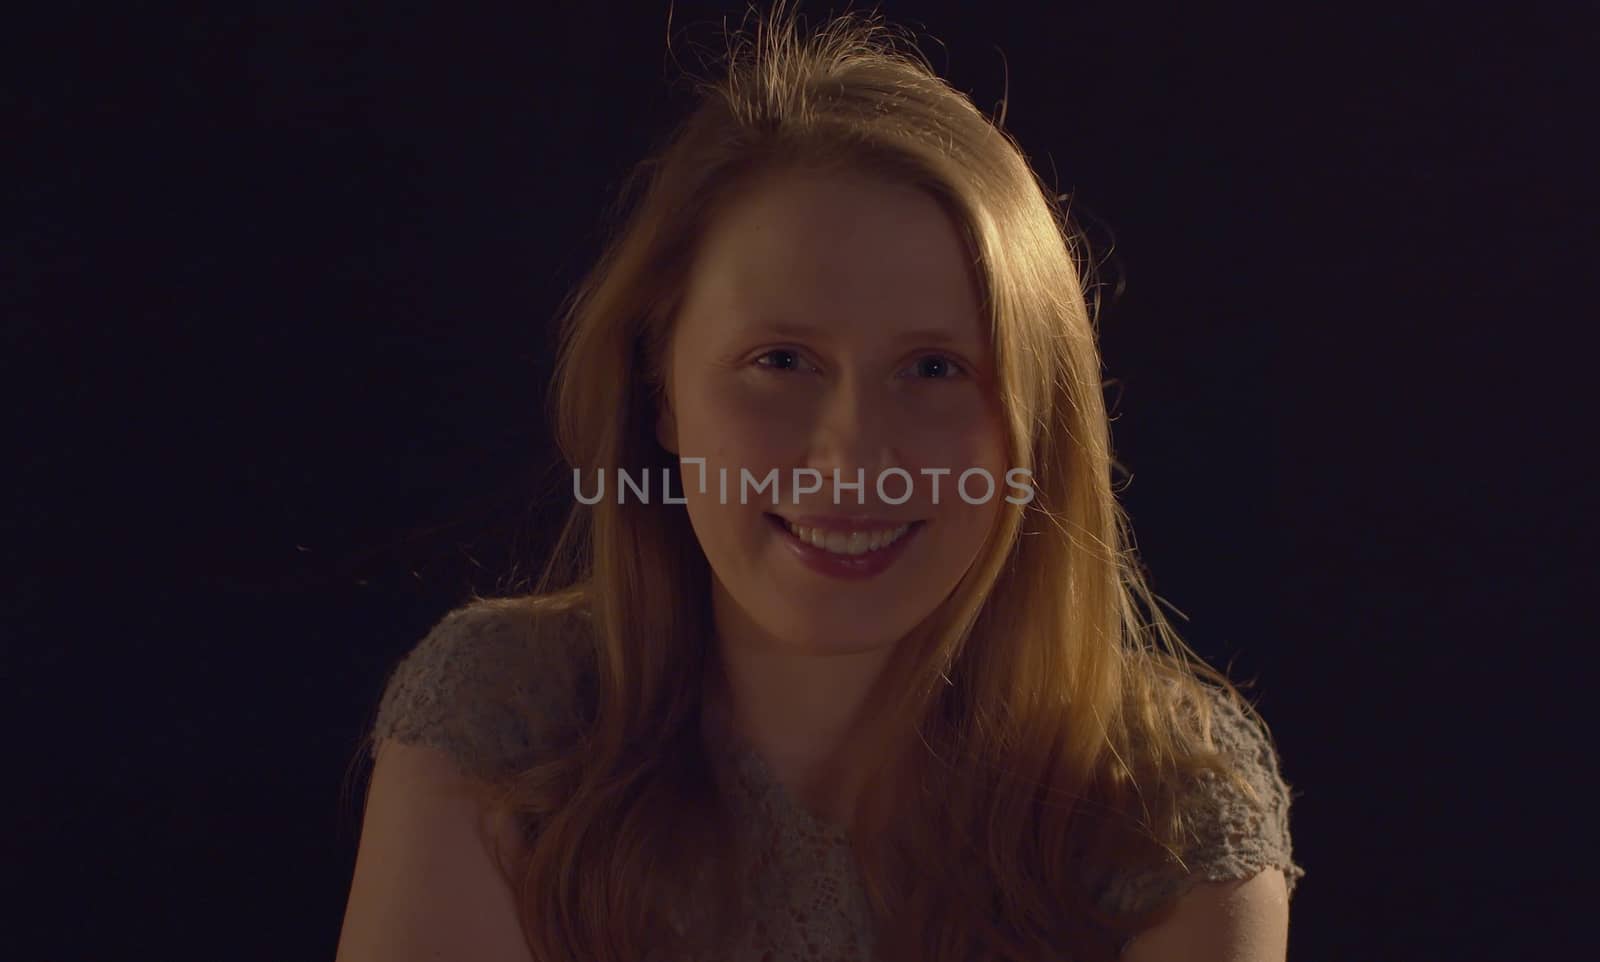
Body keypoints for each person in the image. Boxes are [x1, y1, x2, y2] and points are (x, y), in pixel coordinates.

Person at [335, 6, 1304, 961]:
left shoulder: (1168, 805)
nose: (849, 458)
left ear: (1035, 427)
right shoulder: (501, 720)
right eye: (782, 359)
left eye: (933, 368)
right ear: (659, 393)